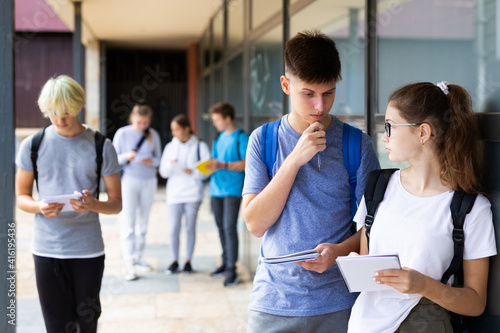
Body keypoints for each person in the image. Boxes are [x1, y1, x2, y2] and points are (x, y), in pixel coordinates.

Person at [242, 30, 380, 332]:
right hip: (273, 302)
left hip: (341, 303)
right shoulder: (263, 140)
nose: (320, 106)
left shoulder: (357, 145)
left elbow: (375, 228)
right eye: (309, 94)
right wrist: (294, 160)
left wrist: (339, 252)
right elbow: (254, 224)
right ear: (286, 85)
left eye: (328, 93)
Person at [347, 81, 497, 332]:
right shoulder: (378, 186)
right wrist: (354, 264)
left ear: (423, 133)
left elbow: (476, 302)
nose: (384, 136)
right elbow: (367, 263)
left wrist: (423, 285)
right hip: (363, 324)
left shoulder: (471, 208)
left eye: (390, 126)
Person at [15, 75, 122, 333]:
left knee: (86, 324)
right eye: (52, 114)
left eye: (66, 113)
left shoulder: (101, 146)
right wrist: (39, 206)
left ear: (78, 107)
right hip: (46, 249)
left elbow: (116, 203)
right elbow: (21, 197)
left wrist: (93, 204)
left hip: (88, 250)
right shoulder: (32, 145)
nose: (60, 120)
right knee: (56, 326)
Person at [113, 103, 162, 281]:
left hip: (149, 180)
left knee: (143, 223)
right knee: (128, 222)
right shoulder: (122, 133)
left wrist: (151, 161)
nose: (143, 126)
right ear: (132, 118)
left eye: (145, 122)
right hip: (130, 180)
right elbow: (114, 159)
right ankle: (129, 264)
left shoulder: (153, 135)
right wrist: (127, 156)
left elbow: (159, 160)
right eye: (140, 122)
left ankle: (137, 257)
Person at [159, 114, 210, 274]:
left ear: (187, 129)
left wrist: (193, 171)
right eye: (173, 130)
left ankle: (188, 261)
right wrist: (171, 165)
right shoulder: (170, 147)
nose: (174, 133)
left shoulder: (200, 146)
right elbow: (163, 171)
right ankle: (174, 261)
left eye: (177, 130)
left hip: (193, 194)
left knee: (190, 228)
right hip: (174, 194)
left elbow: (207, 170)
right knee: (174, 228)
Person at [207, 102, 249, 287]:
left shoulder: (241, 137)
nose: (214, 123)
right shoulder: (218, 137)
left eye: (217, 119)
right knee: (220, 228)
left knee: (229, 228)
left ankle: (232, 269)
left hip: (232, 189)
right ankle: (225, 263)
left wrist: (222, 165)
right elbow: (215, 159)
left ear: (227, 118)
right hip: (215, 188)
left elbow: (247, 163)